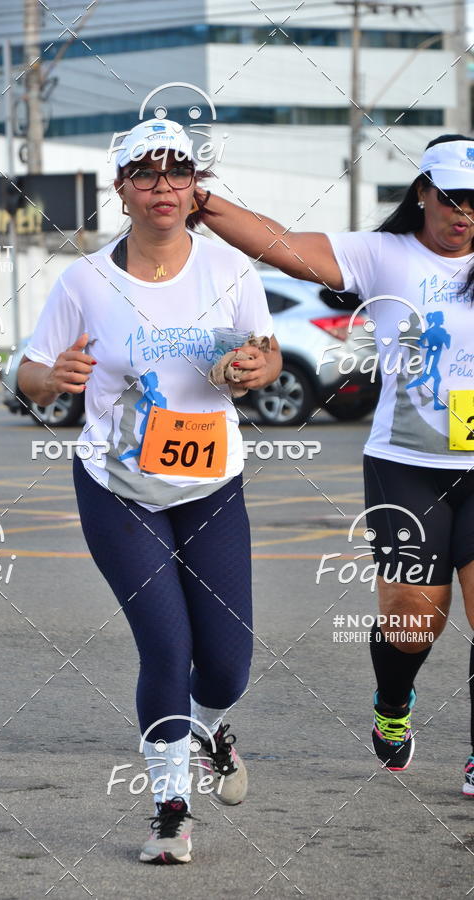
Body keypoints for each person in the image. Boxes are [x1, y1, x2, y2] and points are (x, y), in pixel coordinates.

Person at [18, 119, 282, 863]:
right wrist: (53, 379)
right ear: (121, 189)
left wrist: (256, 368)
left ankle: (209, 723)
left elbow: (263, 353)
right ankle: (171, 810)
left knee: (227, 663)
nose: (162, 186)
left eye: (177, 173)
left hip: (212, 486)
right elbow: (29, 372)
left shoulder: (231, 273)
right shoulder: (85, 281)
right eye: (146, 173)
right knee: (166, 646)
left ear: (196, 187)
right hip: (118, 487)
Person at [194, 133, 474, 789]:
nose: (465, 213)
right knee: (414, 621)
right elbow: (283, 246)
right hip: (407, 467)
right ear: (424, 194)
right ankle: (393, 705)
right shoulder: (385, 255)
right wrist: (201, 202)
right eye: (453, 197)